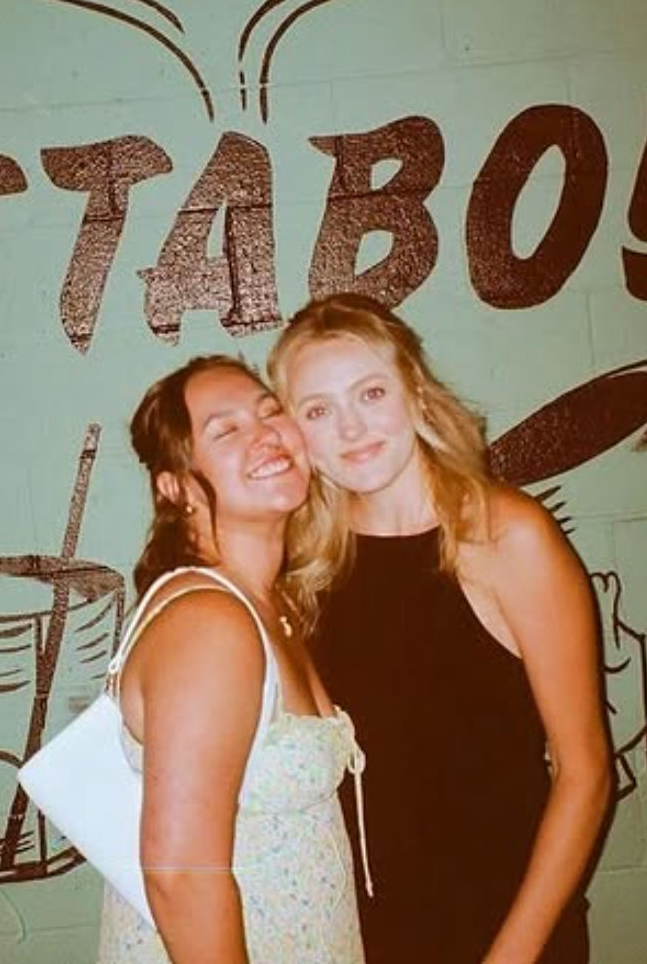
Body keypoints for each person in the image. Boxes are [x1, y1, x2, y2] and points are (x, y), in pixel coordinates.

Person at [267, 294, 612, 964]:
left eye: (370, 393)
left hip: (504, 924)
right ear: (295, 434)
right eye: (318, 410)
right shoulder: (304, 565)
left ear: (416, 395)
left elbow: (587, 772)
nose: (351, 427)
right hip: (363, 937)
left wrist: (510, 957)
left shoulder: (507, 536)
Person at [97, 354, 371, 964]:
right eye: (226, 430)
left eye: (269, 412)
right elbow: (180, 876)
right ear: (174, 485)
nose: (265, 434)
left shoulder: (269, 605)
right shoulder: (209, 623)